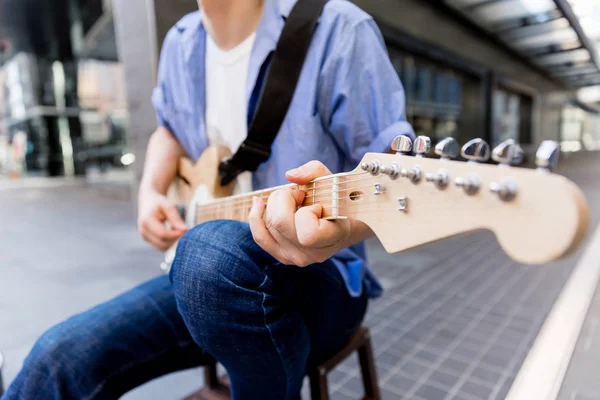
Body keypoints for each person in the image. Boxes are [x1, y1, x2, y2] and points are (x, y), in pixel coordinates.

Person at [3, 0, 414, 399]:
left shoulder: (338, 27)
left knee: (208, 254)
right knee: (55, 358)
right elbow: (169, 130)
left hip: (322, 283)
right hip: (206, 285)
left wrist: (341, 231)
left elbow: (393, 174)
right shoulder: (180, 43)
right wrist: (150, 192)